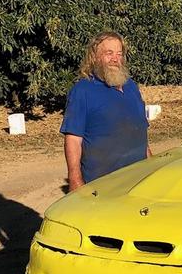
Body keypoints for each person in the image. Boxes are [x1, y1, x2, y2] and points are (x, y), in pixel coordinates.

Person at [60, 31, 151, 191]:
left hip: (139, 180)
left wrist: (151, 166)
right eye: (109, 53)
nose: (115, 59)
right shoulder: (83, 90)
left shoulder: (131, 87)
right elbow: (73, 139)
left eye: (119, 54)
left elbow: (140, 134)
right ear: (94, 57)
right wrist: (75, 180)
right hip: (103, 184)